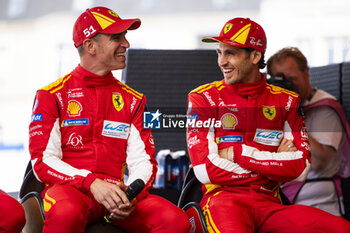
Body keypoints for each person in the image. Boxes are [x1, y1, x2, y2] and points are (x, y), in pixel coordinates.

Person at [29, 6, 190, 233]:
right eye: (117, 37)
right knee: (67, 213)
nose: (126, 44)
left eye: (125, 36)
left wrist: (132, 194)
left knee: (176, 220)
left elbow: (144, 162)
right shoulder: (51, 95)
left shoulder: (134, 100)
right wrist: (91, 183)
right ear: (90, 46)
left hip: (117, 194)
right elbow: (42, 161)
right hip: (70, 191)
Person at [186, 17, 350, 232]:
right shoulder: (203, 98)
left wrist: (237, 153)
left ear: (255, 56)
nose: (221, 61)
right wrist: (275, 162)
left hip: (270, 204)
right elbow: (206, 171)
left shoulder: (287, 101)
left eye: (230, 53)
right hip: (224, 202)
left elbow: (300, 168)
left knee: (340, 228)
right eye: (219, 52)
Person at [267, 47, 350, 216]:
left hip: (320, 207)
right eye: (281, 81)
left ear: (306, 74)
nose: (288, 86)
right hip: (284, 205)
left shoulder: (325, 108)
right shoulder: (272, 110)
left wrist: (289, 118)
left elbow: (320, 163)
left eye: (292, 79)